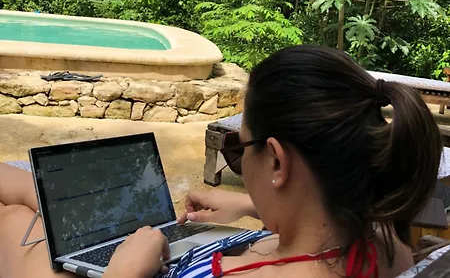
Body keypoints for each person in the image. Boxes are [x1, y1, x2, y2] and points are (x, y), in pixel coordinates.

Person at [0, 45, 442, 278]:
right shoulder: (383, 240)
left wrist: (126, 271)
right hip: (180, 249)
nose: (238, 162)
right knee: (34, 202)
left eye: (239, 148)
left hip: (132, 265)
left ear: (277, 163)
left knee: (17, 216)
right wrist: (250, 205)